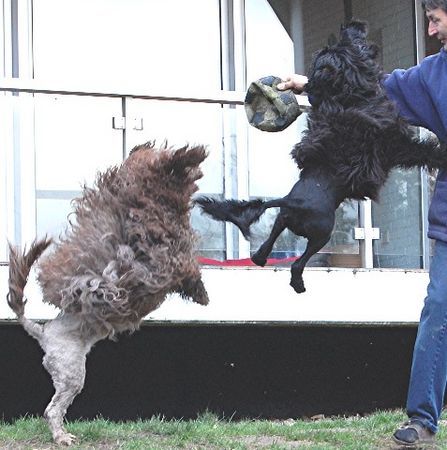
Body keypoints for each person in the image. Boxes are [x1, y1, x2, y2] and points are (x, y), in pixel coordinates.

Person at [278, 1, 447, 446]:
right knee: (439, 313)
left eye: (435, 20)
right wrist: (310, 83)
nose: (429, 31)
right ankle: (422, 422)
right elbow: (369, 92)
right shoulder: (431, 75)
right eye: (427, 19)